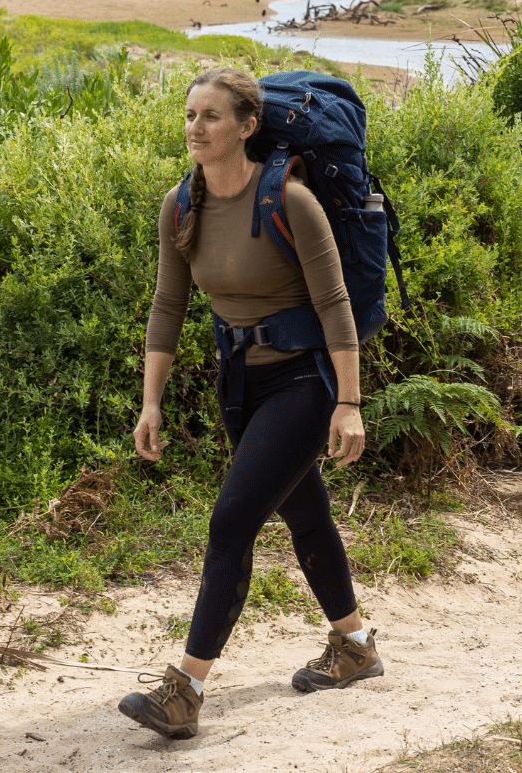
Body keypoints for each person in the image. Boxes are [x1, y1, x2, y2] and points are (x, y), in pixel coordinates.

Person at [117, 66, 383, 740]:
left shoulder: (291, 201)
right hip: (239, 384)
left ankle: (185, 690)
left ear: (246, 126)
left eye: (210, 116)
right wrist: (151, 404)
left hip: (304, 381)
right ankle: (354, 646)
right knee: (305, 511)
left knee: (231, 523)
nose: (194, 128)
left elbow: (334, 305)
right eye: (188, 115)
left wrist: (347, 402)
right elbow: (168, 305)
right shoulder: (181, 205)